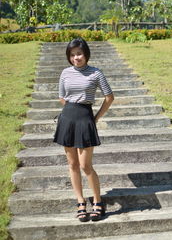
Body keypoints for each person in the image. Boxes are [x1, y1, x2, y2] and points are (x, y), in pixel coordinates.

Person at [53, 37, 114, 222]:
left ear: (86, 54)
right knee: (72, 165)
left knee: (85, 165)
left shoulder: (96, 73)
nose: (76, 58)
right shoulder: (65, 73)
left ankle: (97, 201)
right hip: (67, 118)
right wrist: (71, 111)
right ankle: (80, 202)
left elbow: (109, 97)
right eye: (72, 55)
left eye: (79, 54)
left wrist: (95, 117)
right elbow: (62, 97)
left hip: (85, 118)